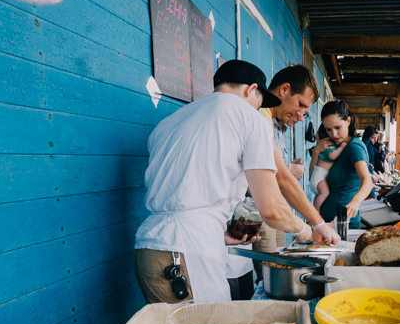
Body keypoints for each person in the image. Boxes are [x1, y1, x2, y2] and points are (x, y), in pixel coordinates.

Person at [134, 60, 313, 305]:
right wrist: (306, 231)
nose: (258, 108)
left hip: (149, 247)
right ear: (251, 90)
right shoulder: (250, 118)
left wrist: (218, 233)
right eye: (260, 102)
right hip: (187, 253)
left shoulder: (169, 122)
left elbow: (185, 195)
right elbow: (270, 208)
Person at [252, 65, 341, 271]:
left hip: (272, 212)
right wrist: (315, 224)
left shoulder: (276, 124)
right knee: (268, 271)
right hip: (259, 211)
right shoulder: (260, 117)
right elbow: (281, 178)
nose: (301, 115)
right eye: (301, 104)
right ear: (284, 90)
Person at [315, 101, 374, 228]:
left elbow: (367, 181)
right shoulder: (334, 146)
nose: (334, 134)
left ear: (348, 121)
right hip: (326, 221)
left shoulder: (354, 147)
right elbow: (313, 177)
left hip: (343, 222)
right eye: (328, 130)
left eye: (337, 128)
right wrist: (316, 151)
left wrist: (355, 202)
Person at [309, 123, 346, 210]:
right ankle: (317, 212)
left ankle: (315, 209)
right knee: (324, 193)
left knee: (319, 195)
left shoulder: (321, 148)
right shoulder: (329, 146)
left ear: (318, 135)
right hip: (320, 178)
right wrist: (341, 147)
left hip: (316, 178)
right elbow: (332, 156)